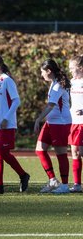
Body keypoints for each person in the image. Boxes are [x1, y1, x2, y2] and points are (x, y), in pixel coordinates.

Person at [0, 55, 30, 194]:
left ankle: (23, 175)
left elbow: (16, 101)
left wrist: (6, 118)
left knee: (3, 152)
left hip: (7, 124)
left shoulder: (7, 81)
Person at [34, 59, 71, 194]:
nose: (41, 74)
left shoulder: (57, 86)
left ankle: (65, 186)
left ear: (49, 71)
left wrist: (39, 118)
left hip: (61, 123)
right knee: (40, 149)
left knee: (61, 154)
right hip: (51, 123)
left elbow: (51, 105)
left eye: (42, 72)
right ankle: (53, 180)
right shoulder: (54, 83)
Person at [68, 56, 83, 193]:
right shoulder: (71, 82)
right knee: (75, 152)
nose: (70, 70)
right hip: (74, 122)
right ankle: (77, 184)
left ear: (80, 68)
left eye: (72, 68)